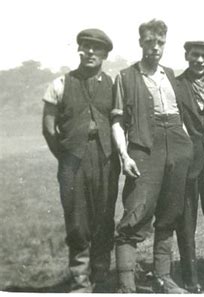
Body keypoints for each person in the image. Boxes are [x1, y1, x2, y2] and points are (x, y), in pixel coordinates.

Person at [111, 19, 193, 293]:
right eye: (150, 42)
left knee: (170, 213)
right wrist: (125, 156)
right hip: (144, 148)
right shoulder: (125, 77)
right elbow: (117, 121)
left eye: (160, 42)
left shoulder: (170, 74)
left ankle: (163, 277)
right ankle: (126, 284)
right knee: (136, 212)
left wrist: (186, 145)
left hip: (177, 146)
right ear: (141, 43)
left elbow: (180, 114)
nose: (155, 47)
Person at [42, 28, 120, 293]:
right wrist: (66, 156)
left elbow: (121, 122)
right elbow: (48, 128)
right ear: (79, 50)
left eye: (96, 48)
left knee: (104, 217)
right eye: (86, 47)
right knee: (77, 220)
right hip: (72, 160)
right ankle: (80, 281)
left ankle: (101, 275)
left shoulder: (112, 84)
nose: (90, 52)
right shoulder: (61, 83)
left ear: (105, 54)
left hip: (106, 159)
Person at [174, 40, 204, 292]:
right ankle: (190, 279)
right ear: (186, 56)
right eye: (195, 55)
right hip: (187, 163)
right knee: (186, 224)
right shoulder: (175, 84)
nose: (200, 60)